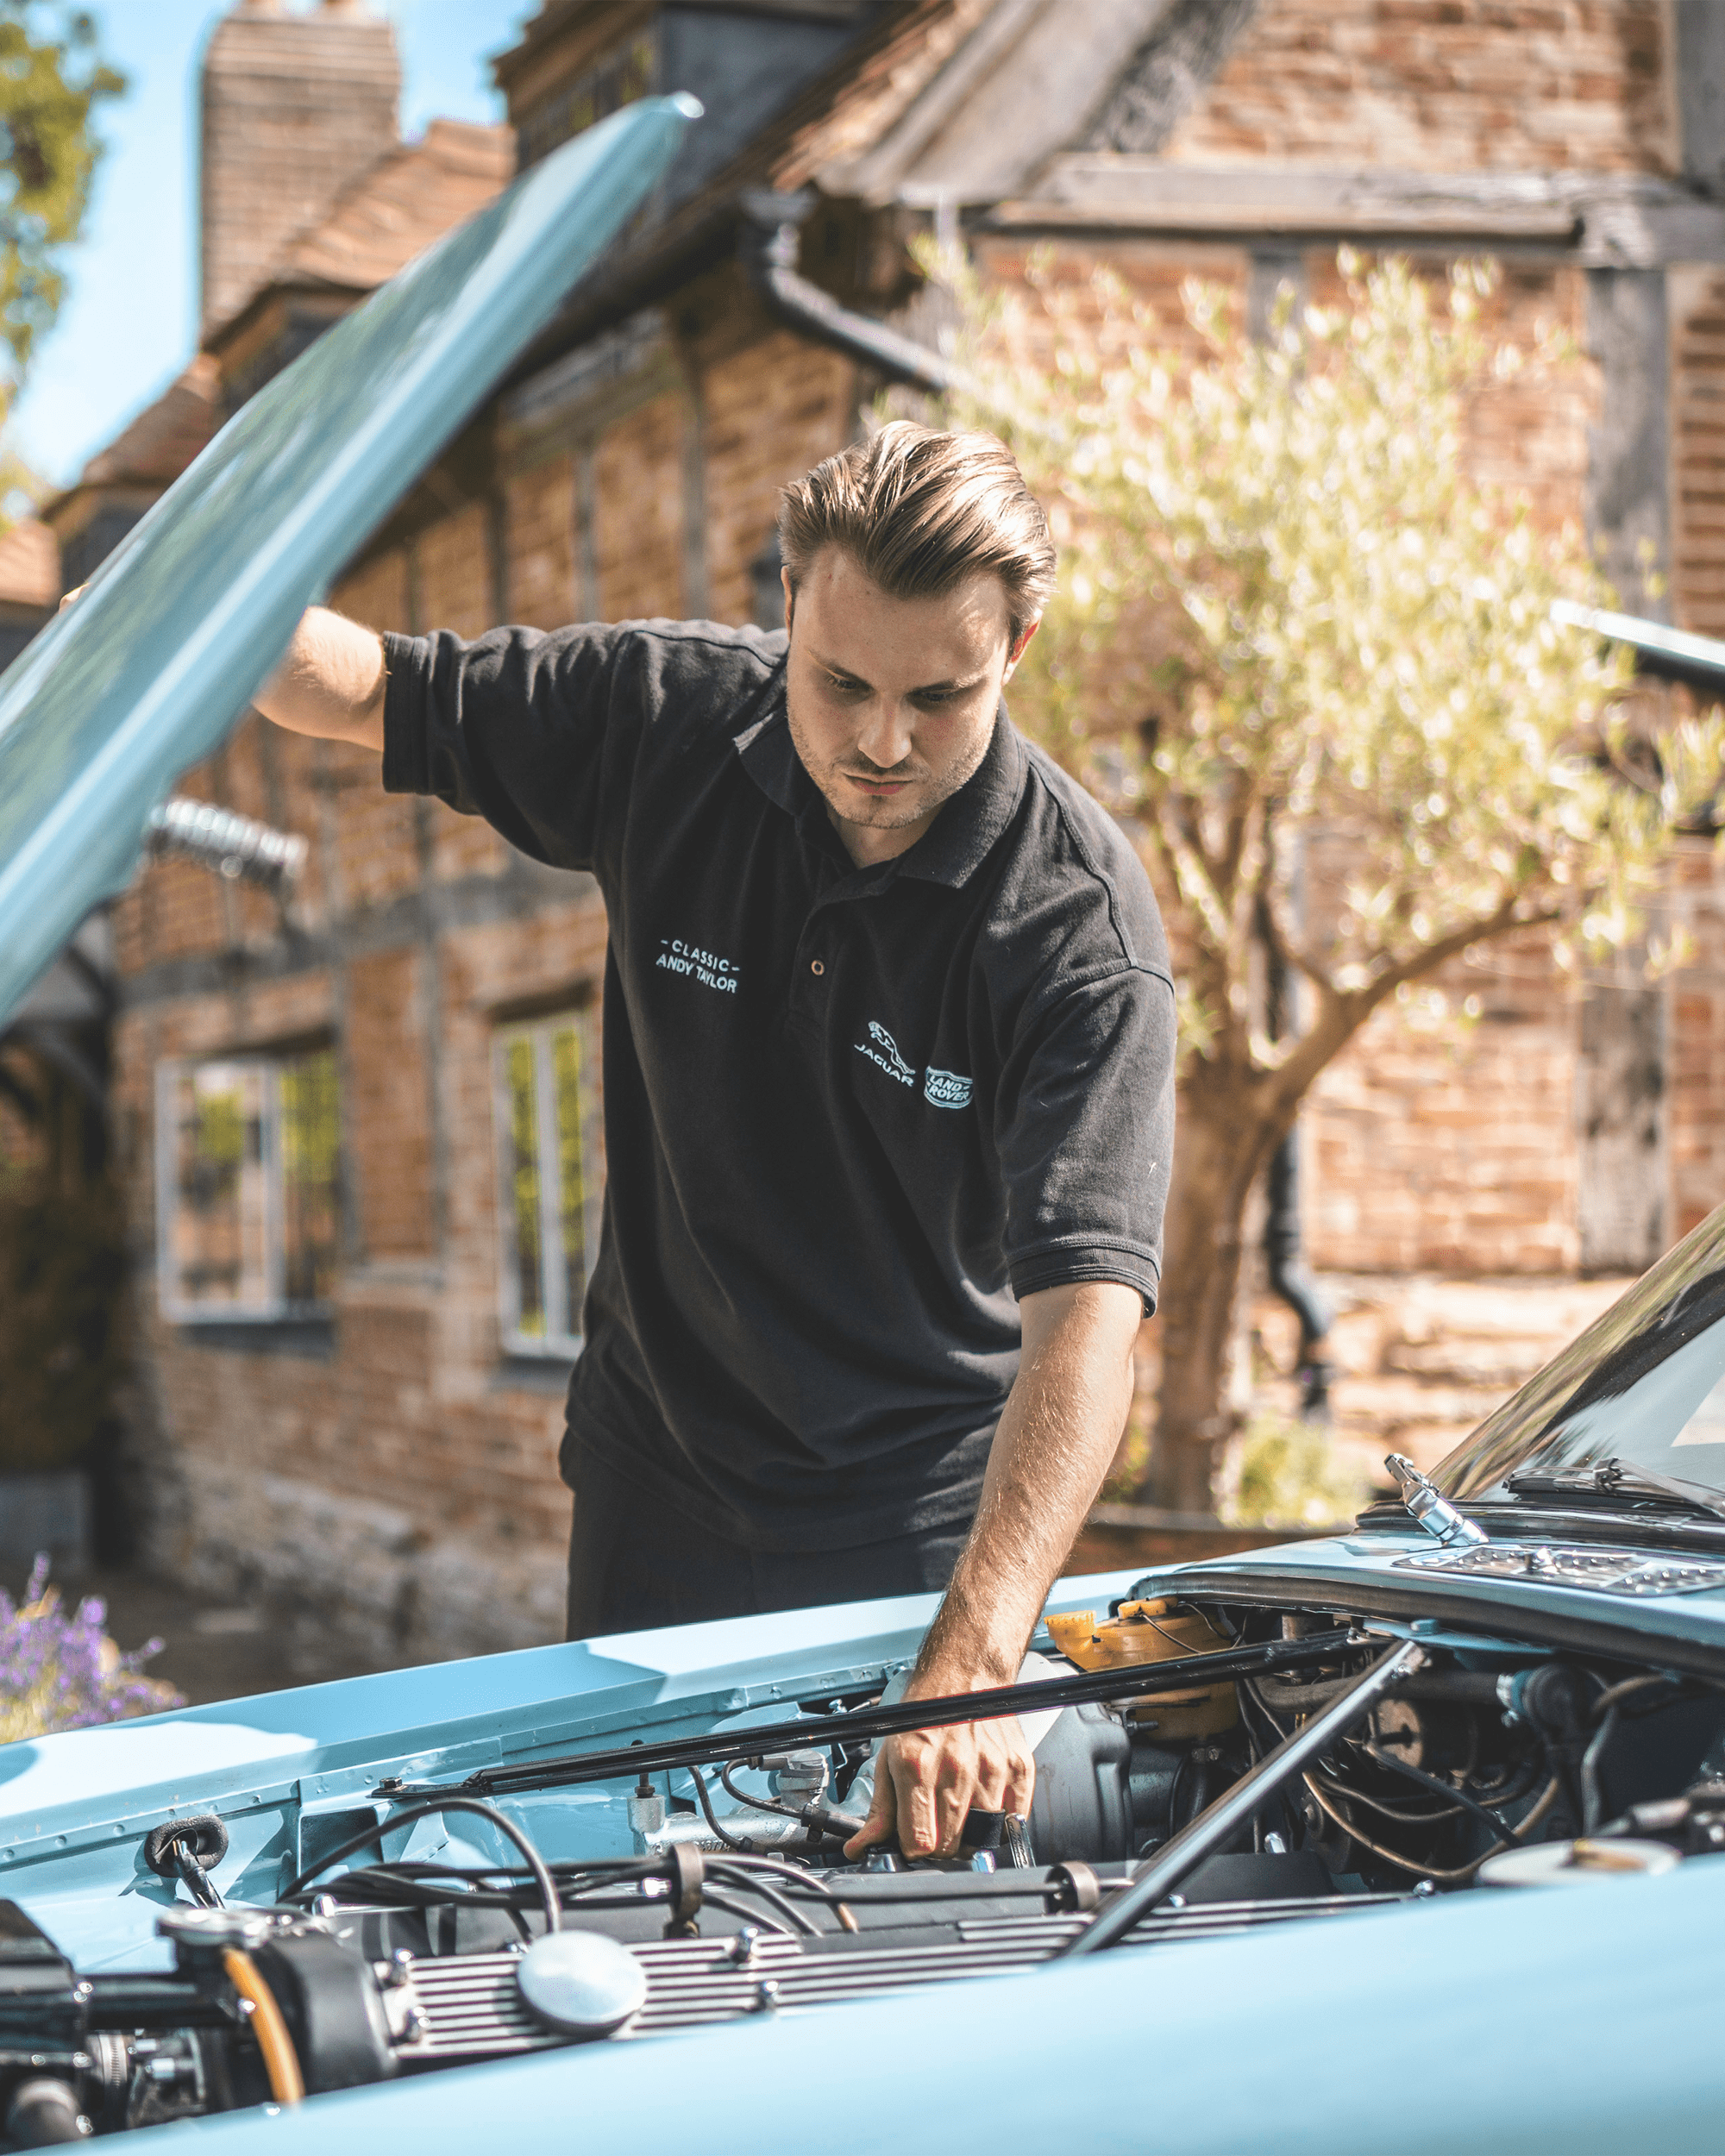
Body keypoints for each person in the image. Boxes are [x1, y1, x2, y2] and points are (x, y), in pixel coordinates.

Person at [250, 423, 1176, 1862]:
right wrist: (146, 637)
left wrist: (976, 1657)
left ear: (1020, 646)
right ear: (789, 605)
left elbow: (1087, 1334)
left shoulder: (1076, 936)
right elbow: (367, 684)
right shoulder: (663, 721)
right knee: (619, 1893)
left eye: (942, 696)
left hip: (910, 1523)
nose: (882, 743)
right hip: (655, 1474)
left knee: (876, 1943)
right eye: (842, 683)